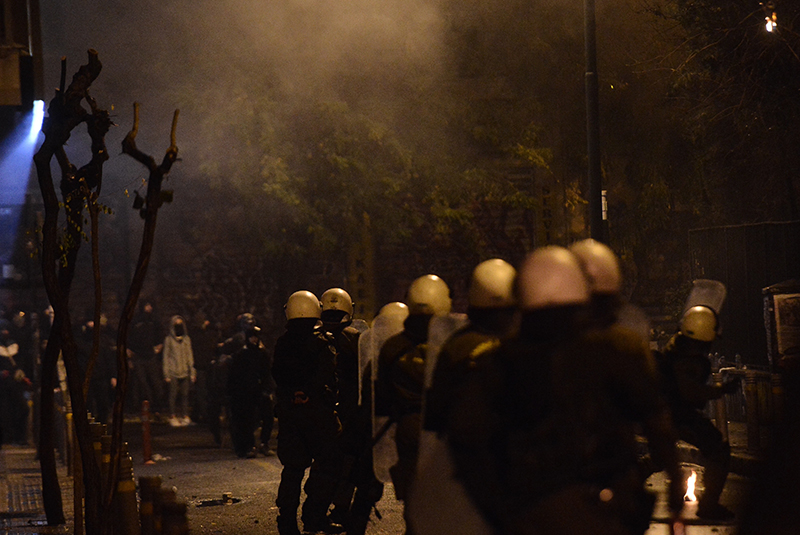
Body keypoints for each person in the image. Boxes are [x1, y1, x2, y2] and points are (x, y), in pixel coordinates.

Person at [447, 245, 682, 535]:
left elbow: (466, 439)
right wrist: (675, 481)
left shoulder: (496, 362)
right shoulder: (614, 351)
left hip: (528, 514)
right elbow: (656, 421)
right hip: (603, 512)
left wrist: (500, 511)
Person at [408, 259, 517, 535]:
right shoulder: (527, 344)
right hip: (517, 465)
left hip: (468, 465)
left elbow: (435, 415)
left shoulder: (455, 347)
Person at [375, 274, 452, 535]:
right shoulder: (453, 344)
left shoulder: (392, 347)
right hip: (443, 429)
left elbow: (382, 398)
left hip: (408, 428)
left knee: (414, 502)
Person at [656, 303, 740, 521]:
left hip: (665, 412)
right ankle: (709, 506)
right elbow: (690, 392)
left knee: (660, 455)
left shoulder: (677, 347)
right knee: (718, 450)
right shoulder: (689, 358)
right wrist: (722, 389)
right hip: (678, 414)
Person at [272, 290, 343, 535]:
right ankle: (314, 517)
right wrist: (311, 394)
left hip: (290, 415)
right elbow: (328, 375)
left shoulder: (282, 343)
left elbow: (277, 375)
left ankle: (287, 522)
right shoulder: (324, 342)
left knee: (292, 470)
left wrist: (294, 394)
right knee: (328, 465)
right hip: (318, 415)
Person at [319, 288, 383, 535]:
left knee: (325, 463)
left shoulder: (314, 336)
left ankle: (319, 513)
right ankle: (342, 509)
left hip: (323, 407)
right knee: (350, 461)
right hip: (350, 407)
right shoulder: (355, 338)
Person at [226, 323, 274, 458]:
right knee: (248, 420)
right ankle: (250, 445)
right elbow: (235, 375)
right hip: (246, 392)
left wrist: (268, 389)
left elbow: (267, 373)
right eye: (252, 337)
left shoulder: (263, 354)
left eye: (256, 337)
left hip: (261, 390)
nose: (254, 340)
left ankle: (264, 443)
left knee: (268, 417)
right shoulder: (241, 355)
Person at [127, 301, 164, 415]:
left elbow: (160, 335)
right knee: (142, 384)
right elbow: (129, 337)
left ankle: (157, 407)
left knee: (156, 383)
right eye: (147, 305)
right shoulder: (135, 321)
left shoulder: (154, 320)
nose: (148, 308)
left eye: (150, 305)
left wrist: (158, 347)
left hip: (151, 356)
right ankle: (147, 406)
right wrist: (129, 353)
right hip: (138, 356)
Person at [162, 315, 196, 427]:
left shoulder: (186, 339)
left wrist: (192, 372)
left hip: (184, 371)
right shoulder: (169, 340)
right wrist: (166, 374)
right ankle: (172, 416)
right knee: (173, 395)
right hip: (173, 372)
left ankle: (185, 415)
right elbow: (166, 357)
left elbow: (190, 356)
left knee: (185, 395)